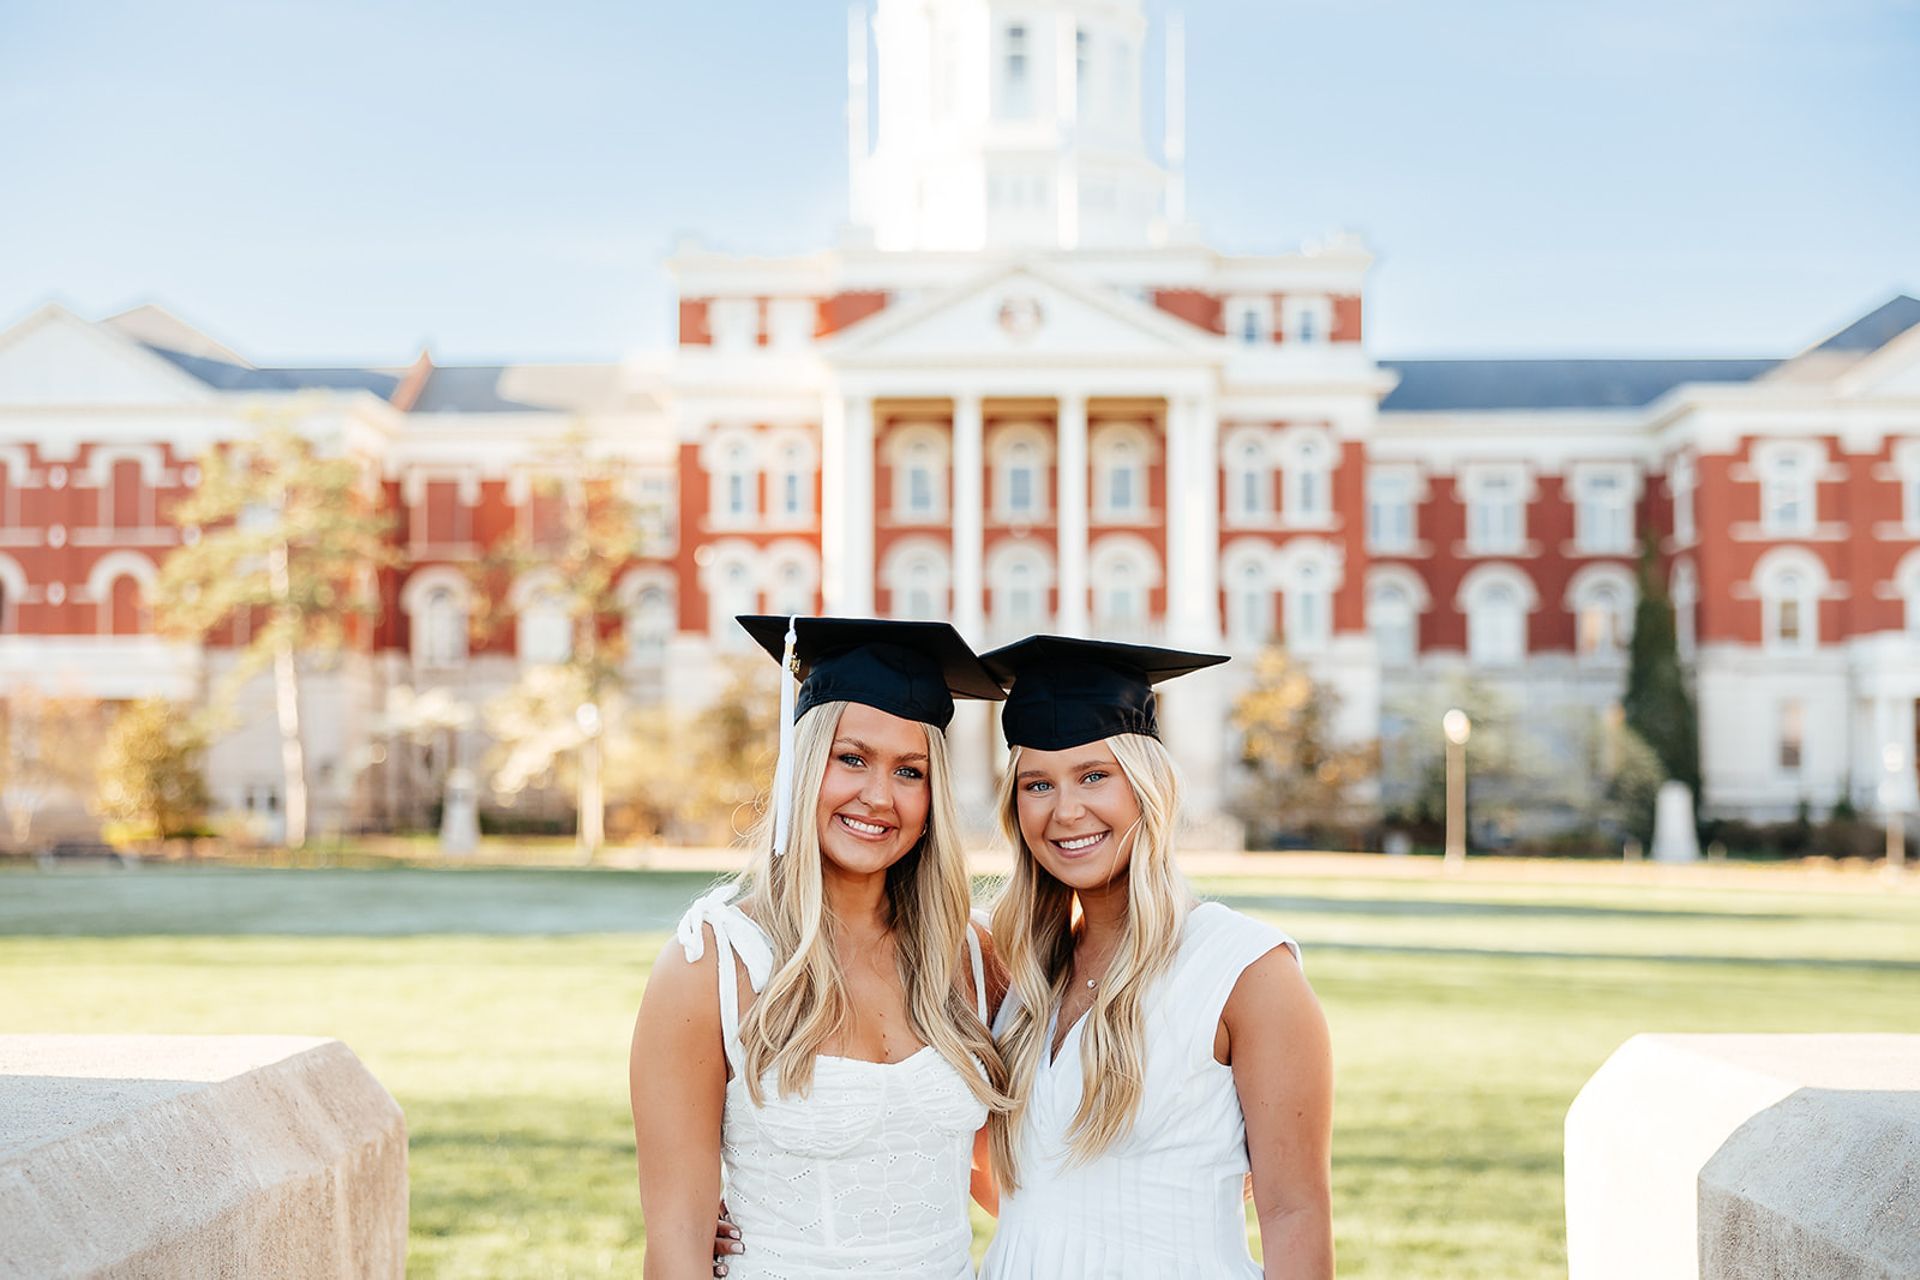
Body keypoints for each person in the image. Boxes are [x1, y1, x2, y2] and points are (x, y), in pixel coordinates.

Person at [631, 616, 1012, 1279]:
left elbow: (997, 1183)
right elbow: (675, 1245)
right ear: (807, 764)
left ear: (932, 797)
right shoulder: (712, 965)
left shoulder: (972, 955)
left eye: (910, 771)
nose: (877, 795)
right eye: (852, 758)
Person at [978, 635, 1334, 1279]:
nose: (1066, 811)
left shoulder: (1244, 970)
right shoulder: (1017, 971)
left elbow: (1295, 1213)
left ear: (1147, 786)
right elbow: (1012, 1182)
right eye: (1037, 784)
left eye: (1094, 776)